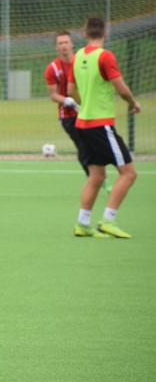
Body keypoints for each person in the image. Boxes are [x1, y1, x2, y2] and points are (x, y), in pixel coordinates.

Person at [69, 17, 141, 239]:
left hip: (82, 123)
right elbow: (121, 88)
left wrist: (87, 102)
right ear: (105, 33)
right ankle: (108, 220)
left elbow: (71, 90)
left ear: (85, 34)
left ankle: (83, 224)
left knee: (97, 176)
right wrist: (133, 102)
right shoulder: (105, 56)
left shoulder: (78, 55)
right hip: (100, 124)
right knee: (128, 173)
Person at [44, 31, 90, 176]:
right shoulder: (53, 68)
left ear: (72, 44)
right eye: (60, 43)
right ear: (56, 47)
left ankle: (98, 174)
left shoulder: (84, 62)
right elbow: (53, 95)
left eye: (66, 42)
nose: (64, 46)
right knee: (83, 146)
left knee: (95, 145)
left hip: (88, 111)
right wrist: (66, 100)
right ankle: (93, 177)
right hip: (68, 116)